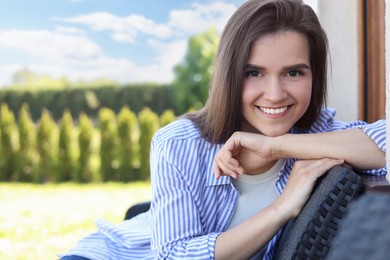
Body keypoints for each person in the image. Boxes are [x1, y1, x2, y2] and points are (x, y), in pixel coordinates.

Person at [59, 0, 387, 259]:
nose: (275, 94)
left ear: (313, 76)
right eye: (254, 73)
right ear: (230, 76)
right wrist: (280, 210)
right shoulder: (179, 143)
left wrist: (276, 146)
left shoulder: (319, 134)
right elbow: (174, 256)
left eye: (294, 73)